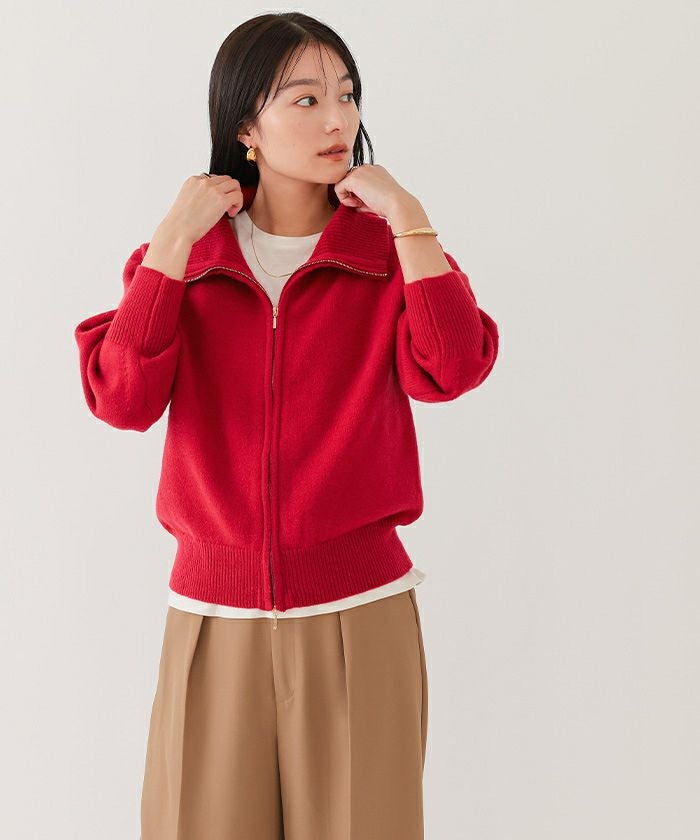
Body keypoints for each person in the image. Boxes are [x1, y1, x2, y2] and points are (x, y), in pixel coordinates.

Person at [73, 12, 499, 840]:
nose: (337, 118)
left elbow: (452, 367)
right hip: (214, 621)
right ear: (246, 127)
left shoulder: (387, 254)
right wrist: (171, 239)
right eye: (305, 99)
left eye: (347, 95)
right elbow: (121, 397)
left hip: (361, 616)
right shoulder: (185, 263)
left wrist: (409, 217)